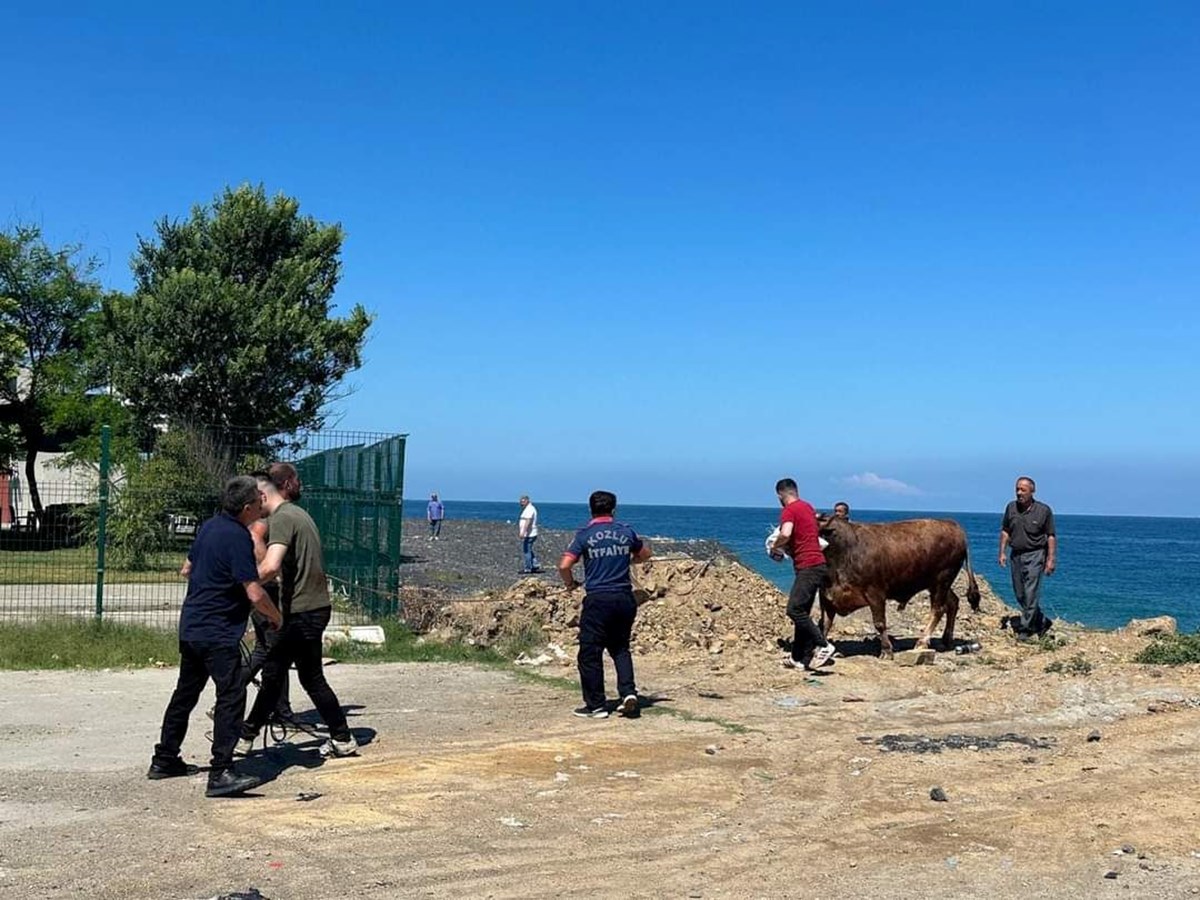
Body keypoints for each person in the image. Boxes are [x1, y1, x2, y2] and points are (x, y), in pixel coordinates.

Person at [148, 476, 283, 798]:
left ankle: (165, 759)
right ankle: (221, 771)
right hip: (218, 633)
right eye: (259, 500)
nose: (263, 503)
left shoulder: (209, 527)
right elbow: (253, 592)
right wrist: (275, 616)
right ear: (249, 506)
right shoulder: (238, 537)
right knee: (232, 697)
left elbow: (187, 569)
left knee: (185, 694)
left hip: (192, 626)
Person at [238, 463, 360, 758]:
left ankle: (245, 735)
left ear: (263, 498)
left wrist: (240, 587)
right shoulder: (299, 514)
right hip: (315, 608)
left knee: (275, 673)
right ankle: (342, 737)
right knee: (309, 677)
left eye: (254, 504)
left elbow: (270, 565)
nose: (252, 510)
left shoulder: (281, 519)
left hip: (302, 612)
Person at [558, 490, 652, 719]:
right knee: (620, 648)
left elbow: (564, 565)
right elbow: (645, 554)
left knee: (590, 652)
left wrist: (570, 584)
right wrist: (627, 559)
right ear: (614, 509)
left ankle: (596, 705)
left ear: (591, 509)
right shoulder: (626, 531)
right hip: (624, 599)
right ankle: (628, 693)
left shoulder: (584, 535)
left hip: (598, 599)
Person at [768, 478, 836, 671]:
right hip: (818, 565)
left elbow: (787, 533)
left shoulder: (789, 510)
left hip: (808, 567)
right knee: (803, 612)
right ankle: (798, 658)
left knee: (794, 610)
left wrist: (775, 546)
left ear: (780, 494)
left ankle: (823, 645)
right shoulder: (807, 507)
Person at [999, 476, 1057, 639]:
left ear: (1032, 491)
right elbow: (1005, 530)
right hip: (1016, 555)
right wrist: (1002, 552)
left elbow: (1051, 535)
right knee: (1020, 594)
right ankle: (1041, 621)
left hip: (1036, 554)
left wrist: (1051, 559)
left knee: (1030, 592)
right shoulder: (1011, 508)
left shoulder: (1044, 510)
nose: (1019, 493)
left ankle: (1025, 629)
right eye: (1017, 489)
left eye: (1023, 490)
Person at [518, 495, 540, 573]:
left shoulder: (530, 509)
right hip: (529, 533)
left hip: (530, 533)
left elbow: (528, 521)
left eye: (523, 501)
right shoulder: (528, 509)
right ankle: (535, 564)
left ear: (527, 501)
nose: (521, 503)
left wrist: (523, 532)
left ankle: (528, 568)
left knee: (526, 550)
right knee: (529, 549)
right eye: (521, 502)